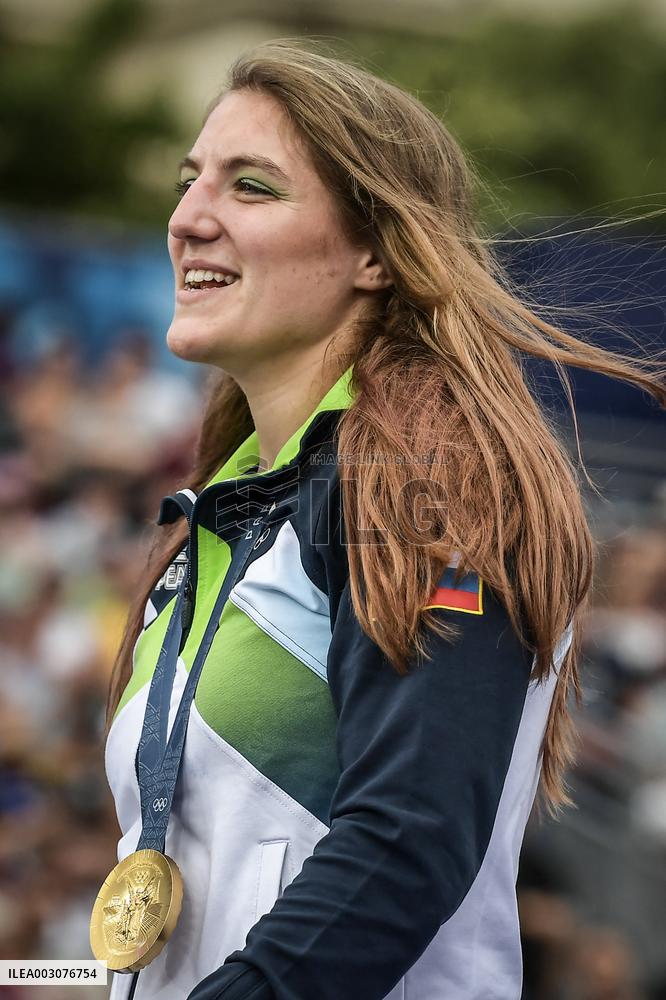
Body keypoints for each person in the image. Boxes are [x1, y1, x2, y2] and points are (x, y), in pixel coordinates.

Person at [98, 39, 665, 1000]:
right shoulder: (218, 518)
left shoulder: (424, 481)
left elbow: (408, 839)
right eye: (190, 181)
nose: (188, 218)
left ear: (374, 252)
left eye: (251, 187)